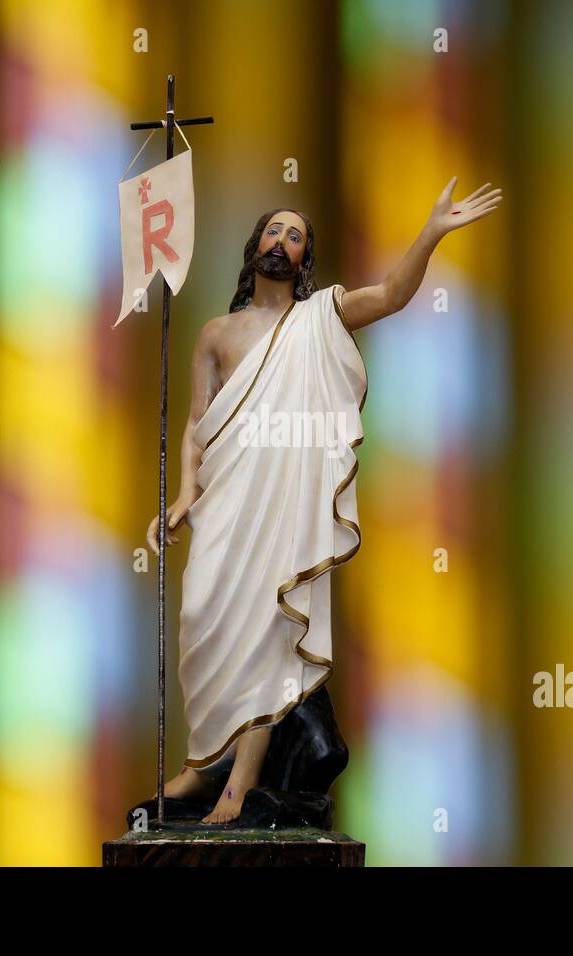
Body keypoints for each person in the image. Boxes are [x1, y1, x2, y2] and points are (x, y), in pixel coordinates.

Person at [147, 178, 501, 823]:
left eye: (295, 235)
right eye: (273, 231)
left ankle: (237, 788)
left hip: (285, 504)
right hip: (228, 502)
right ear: (255, 246)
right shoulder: (216, 333)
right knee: (203, 615)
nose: (281, 242)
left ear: (304, 259)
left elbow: (391, 295)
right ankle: (204, 763)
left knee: (271, 629)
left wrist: (432, 231)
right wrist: (182, 496)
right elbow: (198, 424)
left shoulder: (320, 316)